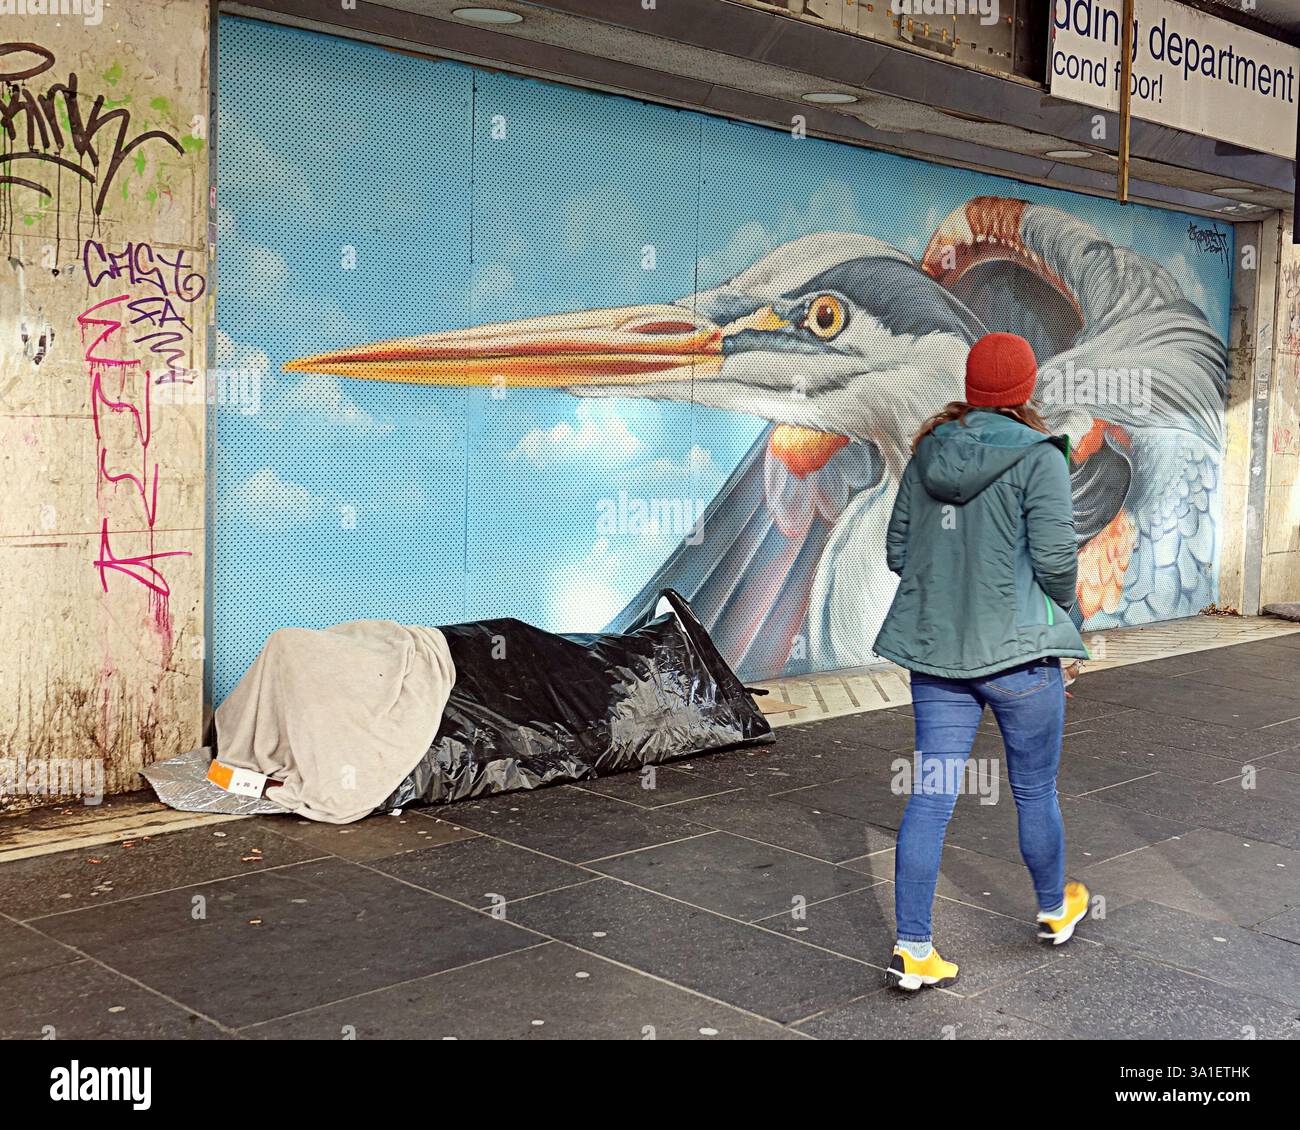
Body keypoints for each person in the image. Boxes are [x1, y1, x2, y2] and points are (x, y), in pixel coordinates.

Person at [871, 331, 1091, 992]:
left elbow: (897, 550)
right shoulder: (1040, 457)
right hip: (1022, 657)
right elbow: (1055, 562)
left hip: (938, 656)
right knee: (1032, 789)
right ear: (1024, 391)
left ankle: (913, 949)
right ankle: (1054, 910)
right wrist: (1068, 625)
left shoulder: (929, 451)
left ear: (973, 388)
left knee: (931, 797)